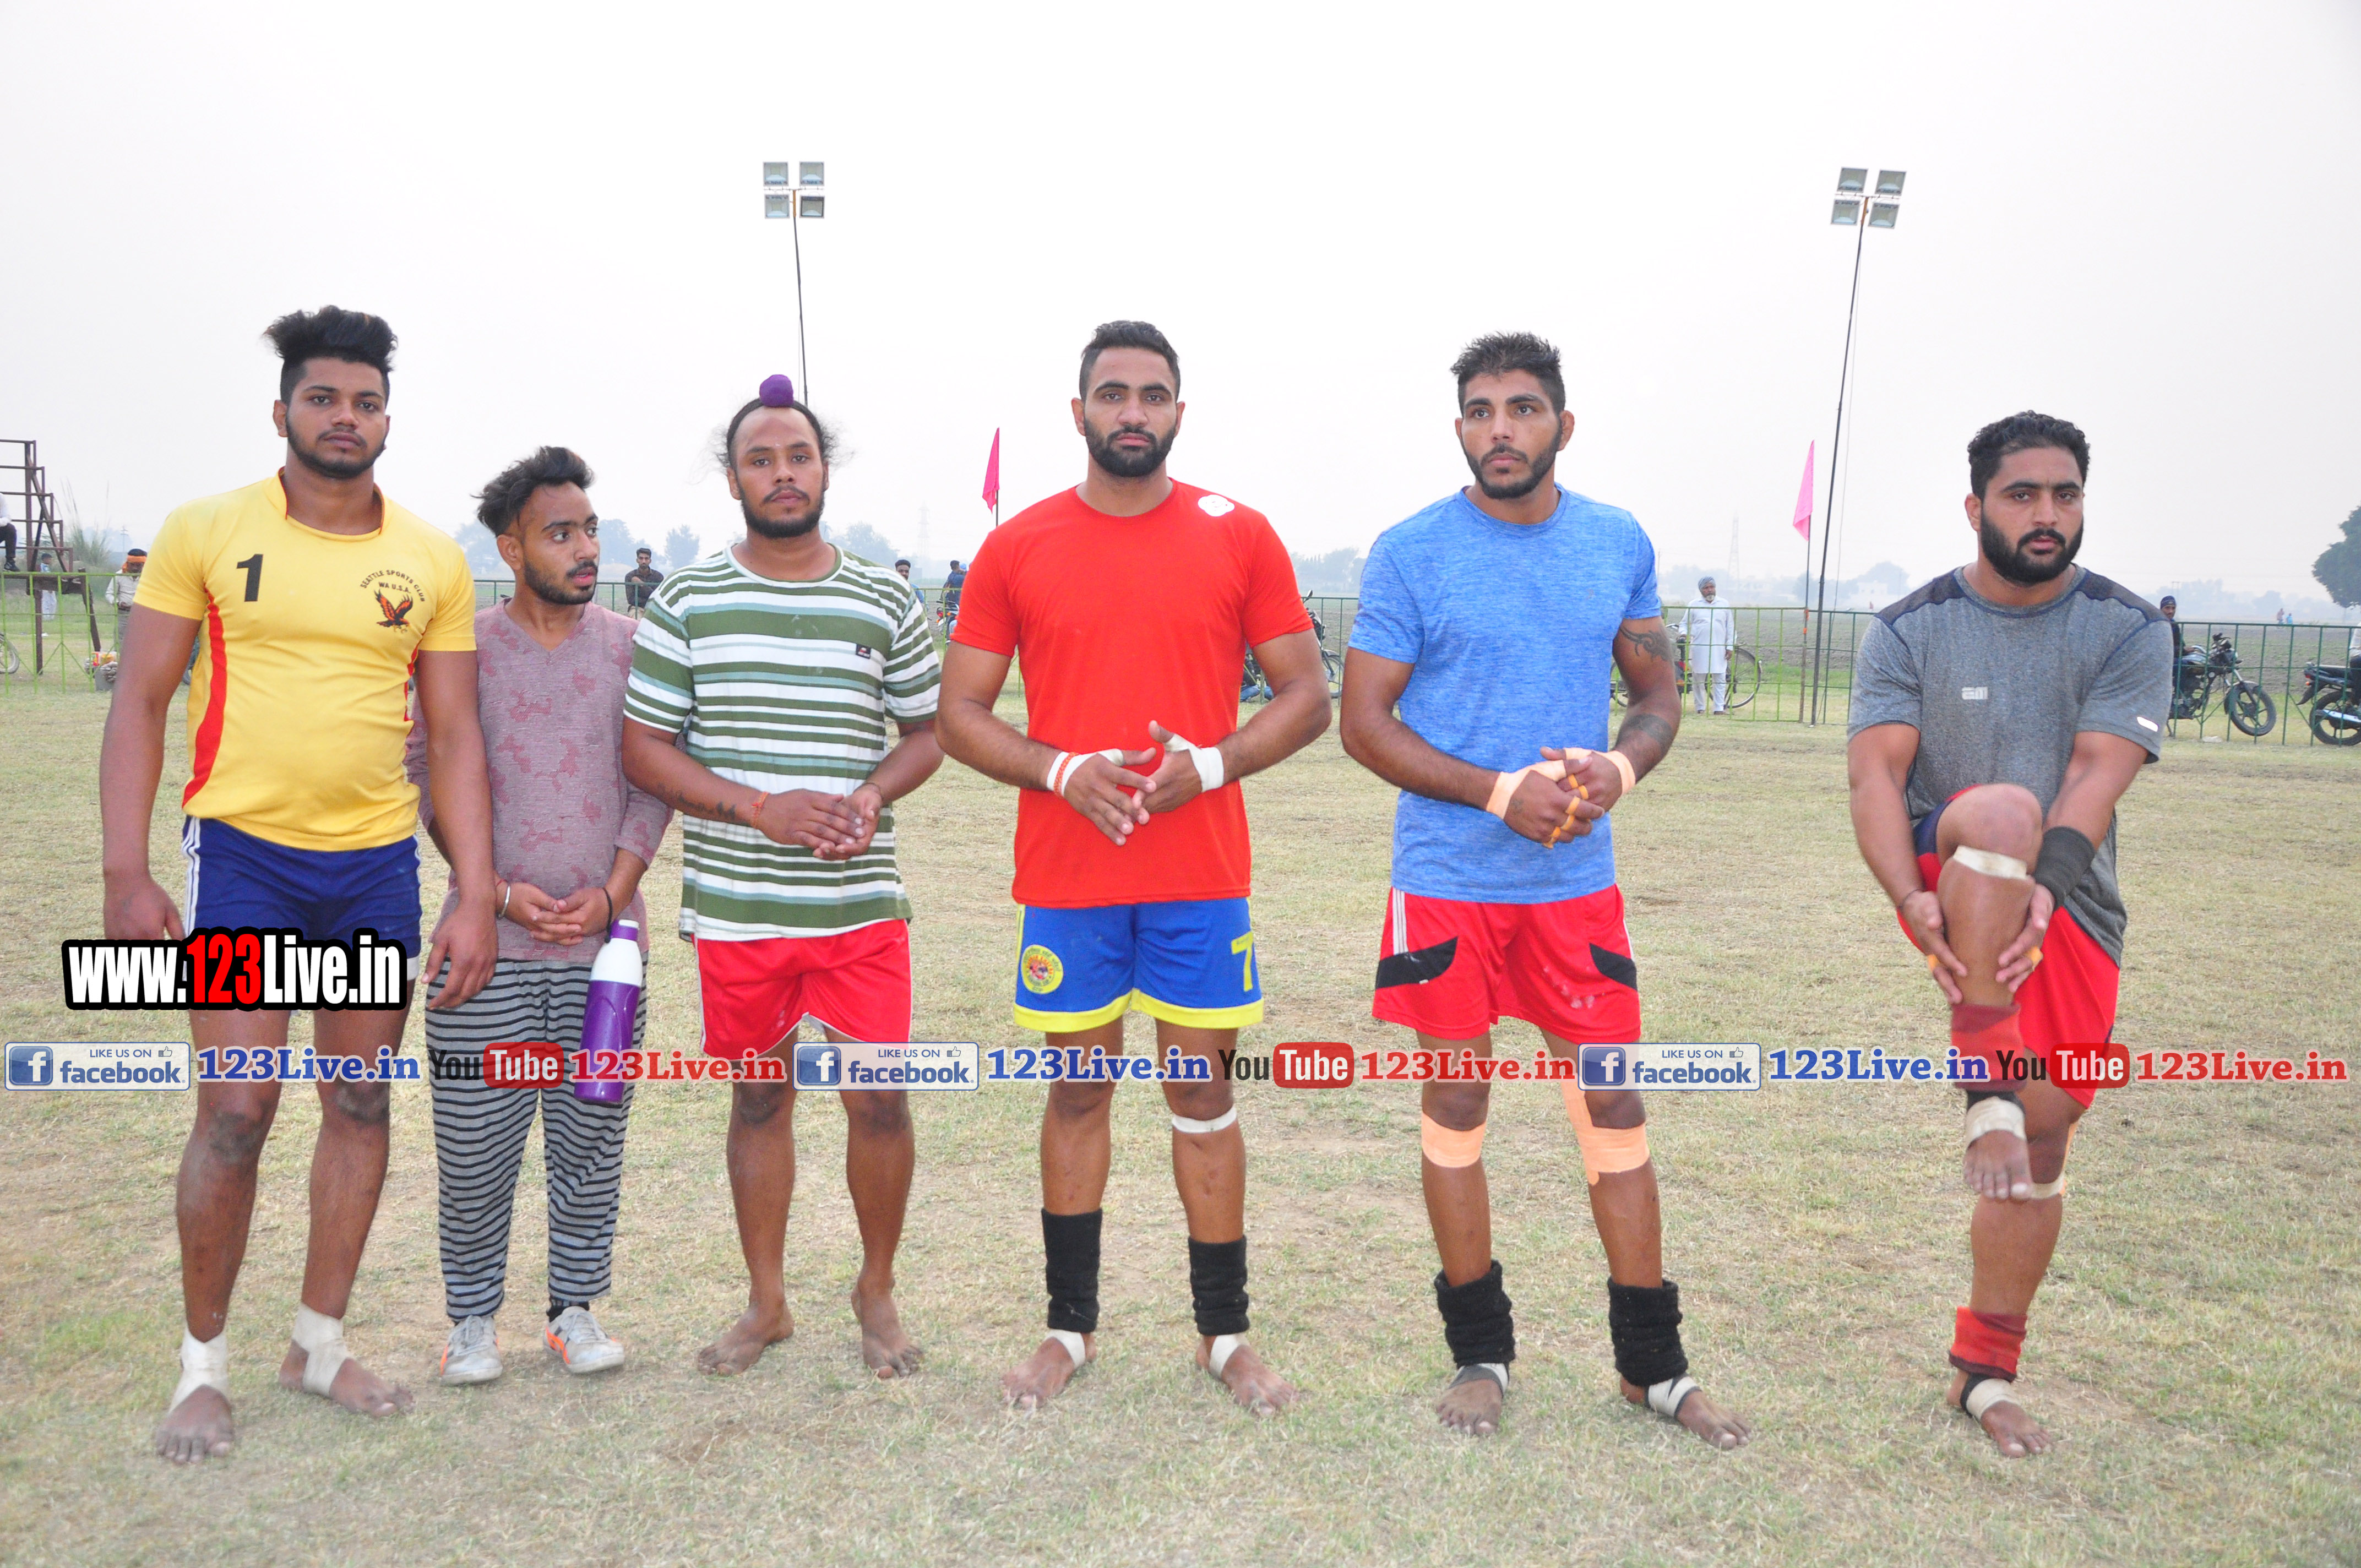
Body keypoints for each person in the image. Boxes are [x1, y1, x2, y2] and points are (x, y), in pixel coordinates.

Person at [99, 306, 499, 1463]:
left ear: (388, 419)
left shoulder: (428, 558)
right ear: (281, 411)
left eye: (365, 402)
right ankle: (201, 1369)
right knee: (237, 1109)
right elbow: (141, 702)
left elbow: (455, 735)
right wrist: (125, 868)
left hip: (372, 870)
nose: (344, 418)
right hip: (244, 861)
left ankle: (318, 1345)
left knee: (359, 1101)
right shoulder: (207, 530)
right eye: (323, 398)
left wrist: (474, 888)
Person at [1339, 331, 1750, 1448]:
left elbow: (1654, 695)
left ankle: (1651, 1367)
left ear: (1562, 425)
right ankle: (1479, 1353)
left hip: (1573, 887)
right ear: (1458, 428)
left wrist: (1621, 765)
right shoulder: (1412, 551)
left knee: (1611, 1103)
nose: (1500, 429)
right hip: (1446, 882)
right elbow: (1361, 723)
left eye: (1521, 408)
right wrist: (1493, 791)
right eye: (1479, 411)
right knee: (1456, 1103)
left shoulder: (1614, 540)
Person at [935, 320, 1330, 1418]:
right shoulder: (1018, 546)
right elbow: (959, 714)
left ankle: (1224, 1334)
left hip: (1198, 873)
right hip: (1070, 878)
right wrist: (1058, 768)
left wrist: (1212, 763)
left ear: (1177, 412)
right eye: (1112, 393)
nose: (1132, 411)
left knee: (1201, 1092)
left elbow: (1307, 695)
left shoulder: (1237, 533)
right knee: (1077, 1090)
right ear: (1078, 412)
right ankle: (1068, 1328)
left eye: (1152, 394)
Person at [1846, 410, 2168, 1459]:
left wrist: (2051, 891)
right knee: (1997, 811)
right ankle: (1982, 1083)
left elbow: (2095, 776)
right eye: (2021, 493)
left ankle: (1981, 1372)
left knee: (2045, 1135)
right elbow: (1874, 778)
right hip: (1952, 867)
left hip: (2070, 899)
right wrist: (1907, 898)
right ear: (1974, 505)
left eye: (2063, 495)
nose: (2045, 513)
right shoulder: (1909, 628)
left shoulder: (2127, 627)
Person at [622, 375, 943, 1381]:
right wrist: (759, 807)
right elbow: (644, 749)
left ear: (824, 469)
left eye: (798, 455)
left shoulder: (884, 597)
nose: (782, 473)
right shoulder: (687, 600)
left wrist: (872, 794)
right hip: (740, 907)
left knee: (878, 1102)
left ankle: (875, 1290)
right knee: (759, 1100)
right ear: (733, 480)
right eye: (759, 460)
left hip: (858, 904)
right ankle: (766, 1303)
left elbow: (928, 732)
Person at [405, 447, 672, 1387]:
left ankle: (575, 1310)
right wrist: (495, 892)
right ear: (512, 549)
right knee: (475, 1143)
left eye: (590, 529)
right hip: (486, 943)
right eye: (561, 533)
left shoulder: (633, 647)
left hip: (607, 954)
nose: (585, 547)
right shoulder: (463, 649)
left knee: (590, 1139)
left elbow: (654, 781)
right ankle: (471, 1321)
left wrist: (612, 894)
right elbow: (428, 773)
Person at [1678, 576, 1736, 715]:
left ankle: (1719, 708)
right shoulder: (1694, 604)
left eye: (1712, 587)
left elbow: (1730, 627)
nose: (1710, 590)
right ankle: (1700, 708)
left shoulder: (1724, 604)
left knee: (1720, 678)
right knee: (1698, 678)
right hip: (1699, 647)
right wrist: (1683, 634)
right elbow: (1684, 623)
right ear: (1701, 590)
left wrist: (1730, 646)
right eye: (1706, 588)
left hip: (1719, 647)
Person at [107, 547, 147, 651]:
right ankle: (120, 660)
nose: (135, 568)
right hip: (123, 613)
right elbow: (109, 594)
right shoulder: (119, 575)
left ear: (144, 565)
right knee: (120, 640)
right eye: (132, 565)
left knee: (142, 640)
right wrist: (118, 603)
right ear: (127, 563)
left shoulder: (148, 577)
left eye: (138, 565)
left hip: (143, 613)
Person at [622, 547, 664, 617]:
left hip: (655, 608)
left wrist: (642, 584)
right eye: (641, 558)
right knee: (636, 621)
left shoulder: (658, 576)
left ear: (650, 561)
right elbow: (631, 600)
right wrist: (649, 599)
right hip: (637, 608)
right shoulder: (630, 576)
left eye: (646, 559)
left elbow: (657, 597)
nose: (644, 561)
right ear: (637, 560)